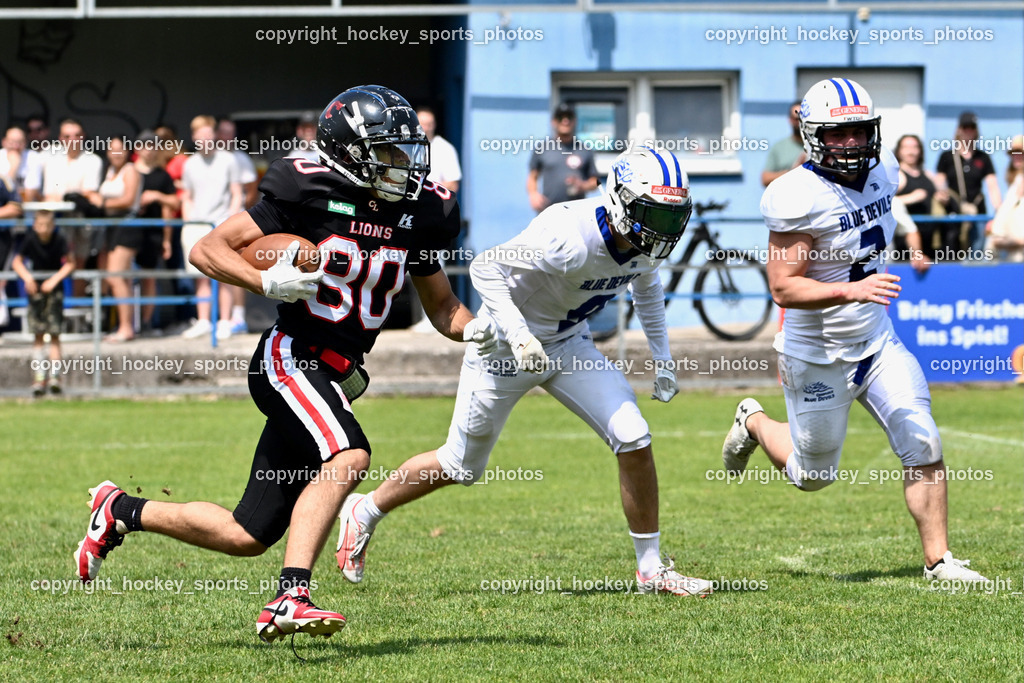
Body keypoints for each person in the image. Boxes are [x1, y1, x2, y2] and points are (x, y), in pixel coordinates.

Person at [74, 85, 497, 643]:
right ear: (349, 153)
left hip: (336, 371)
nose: (403, 162)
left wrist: (485, 330)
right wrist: (265, 280)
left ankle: (120, 510)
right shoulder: (307, 188)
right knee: (349, 453)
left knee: (246, 533)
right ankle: (290, 596)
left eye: (405, 148)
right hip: (291, 355)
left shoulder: (418, 211)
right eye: (388, 150)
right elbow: (207, 249)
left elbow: (443, 308)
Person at [338, 146, 714, 597]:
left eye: (672, 217)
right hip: (505, 346)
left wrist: (663, 359)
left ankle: (651, 570)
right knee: (461, 465)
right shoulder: (568, 233)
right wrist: (518, 336)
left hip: (568, 343)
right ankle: (364, 510)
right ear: (620, 200)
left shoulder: (643, 241)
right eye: (653, 214)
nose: (662, 229)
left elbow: (647, 286)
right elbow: (485, 267)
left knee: (633, 435)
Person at [722, 78, 986, 585]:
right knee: (812, 476)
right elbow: (783, 287)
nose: (851, 142)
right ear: (812, 135)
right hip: (817, 353)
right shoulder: (796, 194)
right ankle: (753, 421)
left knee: (923, 439)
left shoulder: (884, 169)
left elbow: (890, 211)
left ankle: (939, 562)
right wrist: (851, 290)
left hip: (876, 340)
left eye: (859, 131)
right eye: (838, 134)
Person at [104, 131, 179, 341]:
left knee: (146, 278)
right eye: (145, 145)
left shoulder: (161, 175)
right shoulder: (125, 170)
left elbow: (172, 205)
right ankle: (125, 324)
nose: (149, 150)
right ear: (137, 148)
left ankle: (143, 323)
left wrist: (157, 197)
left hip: (150, 232)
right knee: (121, 277)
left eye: (153, 145)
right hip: (125, 230)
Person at [179, 116, 242, 339]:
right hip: (197, 225)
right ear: (194, 137)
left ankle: (225, 321)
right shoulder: (189, 164)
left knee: (224, 274)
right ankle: (204, 321)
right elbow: (187, 197)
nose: (205, 138)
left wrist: (229, 220)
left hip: (221, 224)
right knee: (200, 276)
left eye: (208, 134)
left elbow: (236, 194)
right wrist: (188, 221)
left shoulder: (228, 160)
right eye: (200, 134)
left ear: (214, 135)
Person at [11, 210, 75, 395]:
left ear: (53, 226)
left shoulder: (59, 240)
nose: (44, 229)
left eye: (47, 226)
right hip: (36, 293)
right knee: (38, 335)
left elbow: (70, 263)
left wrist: (54, 280)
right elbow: (17, 262)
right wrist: (28, 278)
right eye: (40, 225)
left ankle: (55, 377)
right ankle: (39, 378)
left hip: (54, 292)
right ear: (34, 226)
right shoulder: (30, 240)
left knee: (55, 334)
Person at [934, 112, 1001, 256]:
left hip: (977, 212)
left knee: (976, 253)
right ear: (959, 129)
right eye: (965, 127)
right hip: (954, 212)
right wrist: (942, 194)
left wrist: (999, 212)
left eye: (972, 127)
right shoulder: (947, 156)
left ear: (976, 130)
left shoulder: (983, 157)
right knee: (953, 251)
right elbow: (939, 181)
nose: (968, 131)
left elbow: (992, 186)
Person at [217, 117, 260, 334]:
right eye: (225, 132)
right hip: (213, 222)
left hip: (234, 222)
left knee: (233, 268)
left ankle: (238, 317)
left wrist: (243, 217)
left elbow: (251, 189)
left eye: (231, 132)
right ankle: (218, 319)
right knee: (214, 270)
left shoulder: (240, 158)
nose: (229, 137)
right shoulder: (209, 158)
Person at [526, 103, 598, 213]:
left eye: (569, 117)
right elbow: (532, 177)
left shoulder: (584, 149)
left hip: (577, 213)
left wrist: (583, 186)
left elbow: (595, 182)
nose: (565, 121)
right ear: (553, 122)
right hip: (548, 212)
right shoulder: (542, 147)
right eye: (560, 117)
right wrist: (533, 194)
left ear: (574, 121)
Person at [893, 134, 939, 261]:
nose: (911, 151)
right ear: (899, 151)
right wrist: (911, 198)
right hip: (906, 244)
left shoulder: (928, 175)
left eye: (914, 147)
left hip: (931, 240)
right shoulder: (897, 176)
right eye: (906, 147)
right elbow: (886, 203)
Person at [986, 135, 1024, 262]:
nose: (1017, 156)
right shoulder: (1014, 183)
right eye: (1014, 153)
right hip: (1011, 250)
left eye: (1021, 153)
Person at [415, 106, 461, 193]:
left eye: (429, 124)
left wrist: (426, 193)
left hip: (433, 200)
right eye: (422, 124)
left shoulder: (445, 149)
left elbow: (452, 185)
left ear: (434, 125)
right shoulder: (404, 147)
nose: (425, 128)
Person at [761, 100, 807, 187]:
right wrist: (792, 172)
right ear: (790, 120)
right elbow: (765, 179)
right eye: (796, 119)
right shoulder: (779, 147)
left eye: (802, 118)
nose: (799, 122)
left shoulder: (817, 146)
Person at [1, 125, 44, 201]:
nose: (16, 146)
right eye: (12, 142)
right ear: (4, 142)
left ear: (25, 142)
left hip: (26, 207)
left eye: (20, 142)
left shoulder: (33, 157)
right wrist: (13, 168)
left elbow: (29, 196)